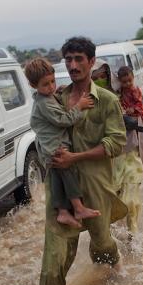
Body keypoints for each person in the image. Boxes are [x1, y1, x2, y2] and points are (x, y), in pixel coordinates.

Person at [40, 36, 128, 285]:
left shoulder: (107, 100)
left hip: (95, 184)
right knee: (54, 257)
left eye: (79, 59)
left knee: (102, 244)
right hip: (61, 190)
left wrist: (74, 158)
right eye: (68, 59)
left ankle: (117, 274)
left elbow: (116, 143)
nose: (73, 65)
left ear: (91, 62)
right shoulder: (55, 99)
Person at [25, 57, 100, 229]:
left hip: (48, 147)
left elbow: (53, 103)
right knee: (68, 172)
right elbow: (64, 120)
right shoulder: (44, 104)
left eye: (53, 81)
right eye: (46, 84)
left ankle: (63, 212)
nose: (51, 86)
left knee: (58, 178)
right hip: (56, 147)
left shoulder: (46, 98)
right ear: (33, 85)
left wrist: (58, 94)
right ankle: (78, 208)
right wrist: (79, 106)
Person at [114, 66, 143, 236]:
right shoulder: (116, 95)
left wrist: (131, 112)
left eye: (130, 80)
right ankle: (128, 231)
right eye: (125, 82)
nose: (128, 84)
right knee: (122, 194)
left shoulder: (135, 91)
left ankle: (132, 233)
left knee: (131, 198)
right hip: (123, 147)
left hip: (134, 138)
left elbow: (140, 109)